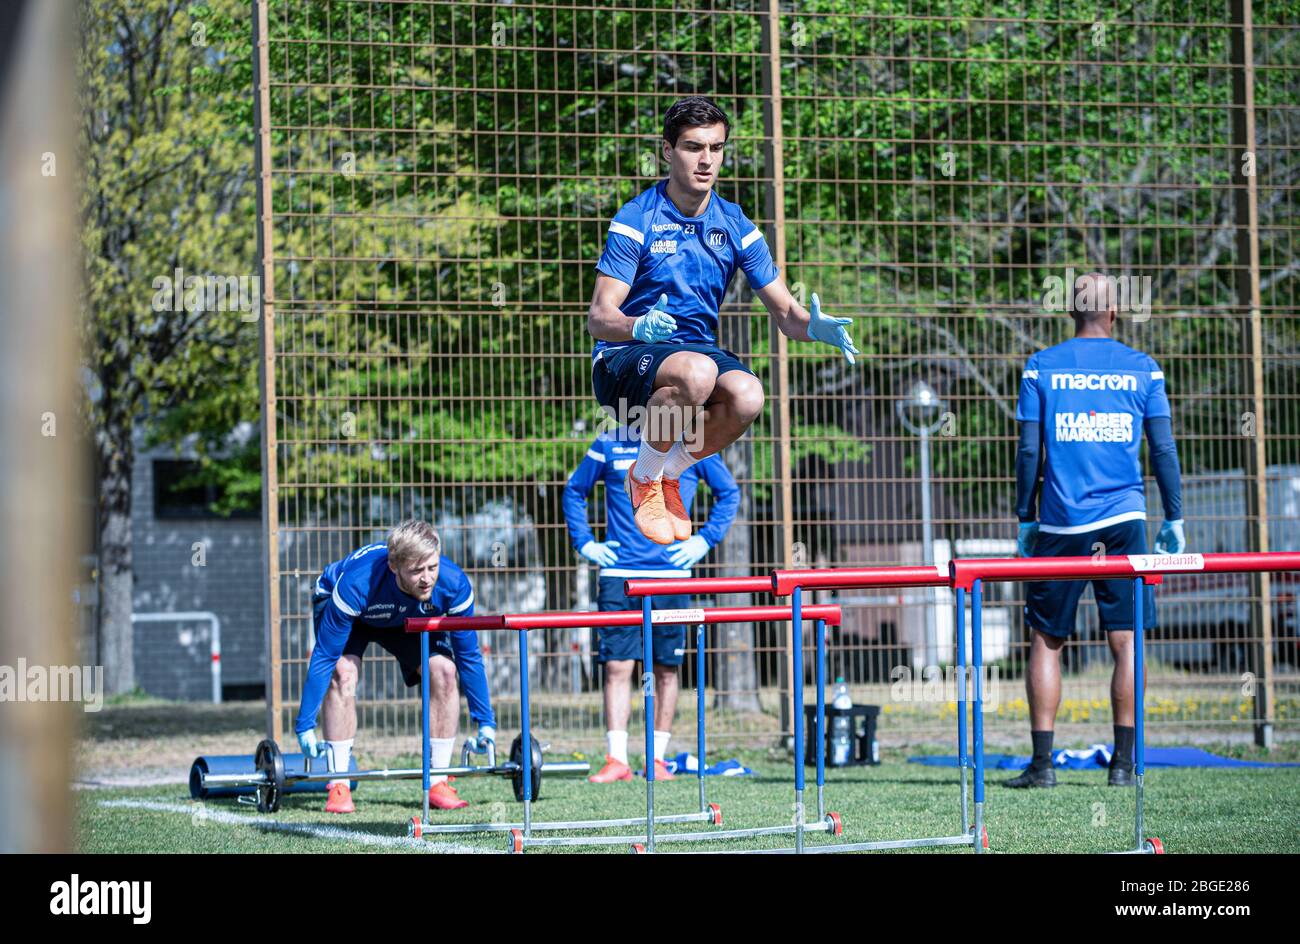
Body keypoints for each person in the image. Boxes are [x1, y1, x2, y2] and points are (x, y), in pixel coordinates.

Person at [588, 95, 858, 546]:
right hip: (625, 358)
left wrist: (813, 325)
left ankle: (667, 475)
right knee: (697, 371)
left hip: (694, 356)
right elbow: (599, 318)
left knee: (749, 395)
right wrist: (638, 326)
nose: (706, 160)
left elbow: (786, 314)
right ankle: (644, 477)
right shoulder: (637, 218)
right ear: (667, 151)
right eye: (694, 147)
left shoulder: (733, 223)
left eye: (716, 148)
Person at [1008, 272, 1185, 789]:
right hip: (1126, 518)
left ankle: (1042, 766)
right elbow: (1165, 451)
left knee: (1046, 638)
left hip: (1060, 521)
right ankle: (1124, 767)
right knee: (1126, 641)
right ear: (1113, 314)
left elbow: (1028, 452)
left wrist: (1025, 518)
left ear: (1071, 314)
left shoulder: (1041, 367)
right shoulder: (1144, 370)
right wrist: (1173, 515)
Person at [563, 424, 739, 781]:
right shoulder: (610, 440)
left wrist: (701, 543)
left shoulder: (691, 438)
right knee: (616, 666)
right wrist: (587, 544)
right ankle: (617, 760)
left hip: (672, 578)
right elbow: (574, 491)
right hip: (619, 577)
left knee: (666, 669)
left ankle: (656, 760)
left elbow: (729, 493)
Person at [294, 520, 496, 812]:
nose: (427, 579)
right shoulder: (357, 584)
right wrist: (305, 725)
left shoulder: (453, 584)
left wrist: (485, 721)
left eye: (432, 567)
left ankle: (438, 780)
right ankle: (338, 782)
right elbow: (325, 655)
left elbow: (469, 656)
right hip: (356, 614)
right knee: (343, 673)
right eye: (416, 571)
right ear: (394, 567)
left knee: (445, 671)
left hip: (405, 616)